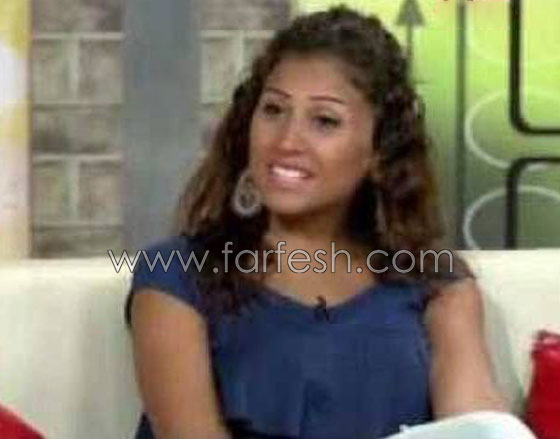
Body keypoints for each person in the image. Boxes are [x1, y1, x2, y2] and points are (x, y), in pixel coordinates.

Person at [124, 6, 535, 439]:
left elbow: (478, 428)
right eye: (273, 110)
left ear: (379, 151)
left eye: (324, 121)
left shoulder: (436, 284)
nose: (286, 141)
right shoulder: (176, 276)